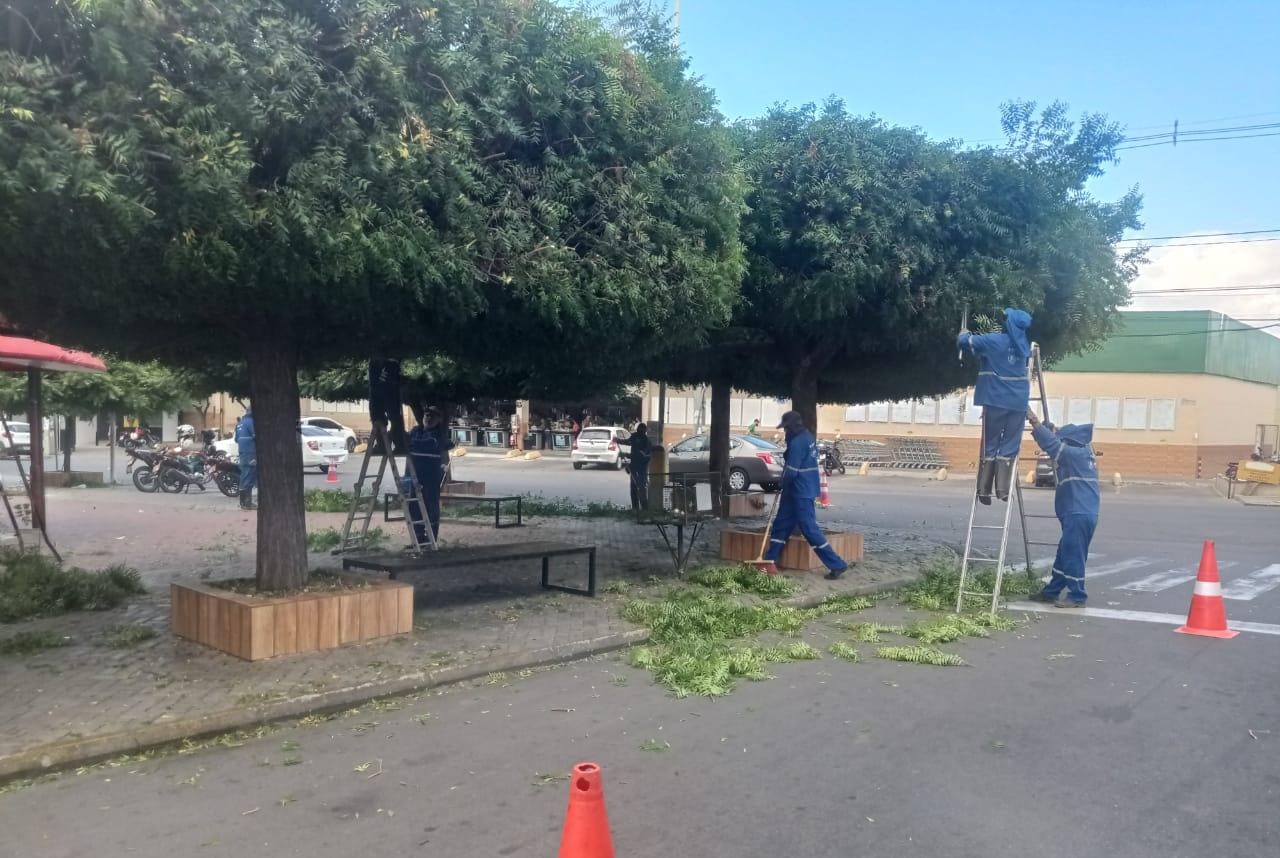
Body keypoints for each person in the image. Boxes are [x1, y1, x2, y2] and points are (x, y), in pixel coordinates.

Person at [957, 308, 1033, 505]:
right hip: (1018, 403)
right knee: (1010, 444)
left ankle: (984, 489)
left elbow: (965, 343)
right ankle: (1002, 489)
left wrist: (964, 333)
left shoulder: (994, 340)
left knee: (990, 443)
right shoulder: (1024, 346)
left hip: (995, 400)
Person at [761, 411, 849, 580]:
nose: (785, 432)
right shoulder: (807, 437)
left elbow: (792, 472)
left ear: (792, 427)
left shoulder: (797, 443)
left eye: (786, 428)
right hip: (799, 490)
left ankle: (837, 564)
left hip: (800, 490)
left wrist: (781, 484)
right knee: (781, 524)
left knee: (809, 528)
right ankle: (770, 559)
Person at [1026, 409, 1099, 608]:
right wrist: (1047, 427)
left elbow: (1052, 445)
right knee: (1064, 552)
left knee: (1073, 554)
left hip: (1078, 513)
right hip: (1080, 513)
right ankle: (1052, 592)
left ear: (1070, 442)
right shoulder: (1084, 454)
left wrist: (1034, 422)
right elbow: (1055, 440)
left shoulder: (1072, 454)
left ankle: (1077, 596)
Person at [404, 406, 454, 544]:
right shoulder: (416, 431)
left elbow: (431, 445)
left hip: (431, 477)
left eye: (432, 416)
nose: (428, 418)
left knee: (431, 507)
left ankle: (431, 538)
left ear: (438, 420)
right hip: (415, 476)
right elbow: (407, 442)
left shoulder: (438, 435)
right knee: (414, 508)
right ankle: (419, 538)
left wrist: (411, 444)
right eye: (426, 415)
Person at [368, 358, 406, 455]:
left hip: (387, 392)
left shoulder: (389, 362)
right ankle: (387, 445)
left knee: (393, 417)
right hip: (384, 392)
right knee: (388, 417)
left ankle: (396, 445)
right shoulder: (375, 362)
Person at [626, 423, 653, 513]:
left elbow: (647, 455)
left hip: (642, 468)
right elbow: (627, 442)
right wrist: (617, 440)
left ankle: (644, 508)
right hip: (634, 467)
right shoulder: (634, 437)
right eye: (640, 429)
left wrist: (643, 455)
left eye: (643, 430)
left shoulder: (646, 440)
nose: (641, 431)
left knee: (641, 488)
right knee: (634, 488)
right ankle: (635, 508)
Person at [234, 407, 257, 510]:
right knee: (249, 476)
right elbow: (257, 436)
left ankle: (243, 502)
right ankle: (247, 503)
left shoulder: (240, 423)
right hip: (251, 452)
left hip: (242, 452)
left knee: (244, 476)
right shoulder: (252, 422)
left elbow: (236, 440)